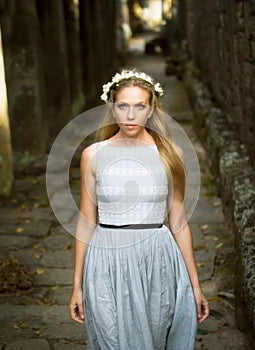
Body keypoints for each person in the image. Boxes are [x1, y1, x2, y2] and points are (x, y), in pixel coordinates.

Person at [69, 69, 209, 349]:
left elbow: (178, 219)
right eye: (123, 106)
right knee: (111, 338)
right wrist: (76, 285)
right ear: (112, 108)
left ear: (151, 110)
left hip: (156, 259)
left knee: (154, 338)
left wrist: (195, 285)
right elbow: (86, 221)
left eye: (139, 106)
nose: (130, 115)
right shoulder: (93, 154)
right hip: (106, 261)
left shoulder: (170, 154)